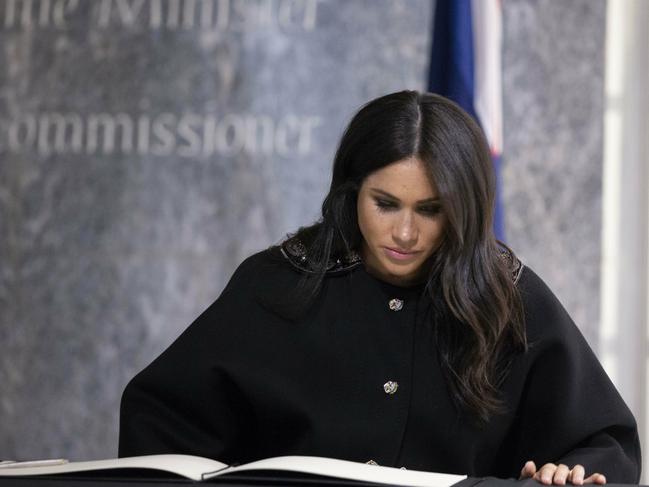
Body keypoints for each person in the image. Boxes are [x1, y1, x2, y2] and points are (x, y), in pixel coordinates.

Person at [118, 91, 641, 485]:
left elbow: (603, 445)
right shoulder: (277, 284)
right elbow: (161, 424)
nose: (405, 234)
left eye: (431, 210)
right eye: (385, 204)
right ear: (351, 193)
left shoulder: (508, 297)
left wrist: (568, 473)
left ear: (464, 210)